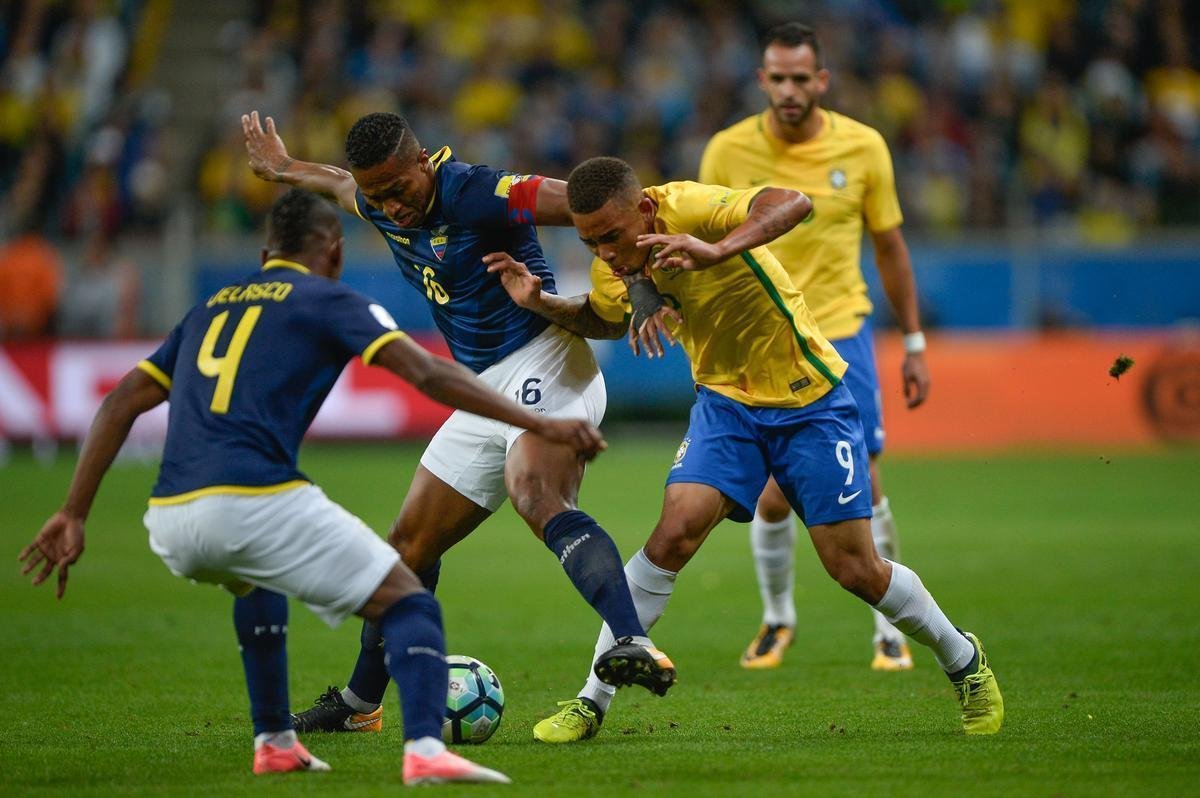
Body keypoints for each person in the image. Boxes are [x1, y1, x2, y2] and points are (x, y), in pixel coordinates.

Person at [17, 189, 611, 783]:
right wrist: (538, 422)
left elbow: (121, 401)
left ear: (264, 252)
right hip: (255, 500)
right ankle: (427, 751)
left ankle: (276, 741)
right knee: (408, 598)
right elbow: (428, 373)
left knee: (254, 579)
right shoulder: (327, 300)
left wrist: (73, 512)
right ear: (333, 252)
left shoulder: (210, 308)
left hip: (171, 519)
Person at [486, 156, 1003, 742]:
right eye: (589, 241)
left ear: (647, 209)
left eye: (611, 235)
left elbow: (792, 203)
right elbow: (605, 319)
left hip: (810, 403)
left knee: (854, 568)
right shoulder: (612, 264)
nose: (604, 252)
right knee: (673, 534)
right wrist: (541, 304)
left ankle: (963, 659)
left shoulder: (693, 208)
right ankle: (591, 701)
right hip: (726, 406)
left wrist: (717, 250)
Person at [241, 111, 675, 733]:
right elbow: (339, 184)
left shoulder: (476, 191)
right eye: (377, 196)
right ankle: (361, 706)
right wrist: (281, 168)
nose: (391, 208)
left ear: (426, 162)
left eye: (399, 189)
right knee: (406, 548)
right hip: (480, 389)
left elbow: (587, 203)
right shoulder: (378, 197)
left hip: (547, 358)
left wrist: (636, 280)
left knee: (536, 493)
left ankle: (632, 641)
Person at [699, 22, 930, 672]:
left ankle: (891, 626)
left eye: (803, 78)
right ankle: (777, 619)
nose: (791, 89)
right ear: (762, 80)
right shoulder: (726, 150)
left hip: (839, 332)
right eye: (779, 77)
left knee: (867, 476)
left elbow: (890, 248)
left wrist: (913, 341)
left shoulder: (864, 148)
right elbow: (708, 244)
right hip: (762, 337)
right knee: (773, 492)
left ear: (822, 80)